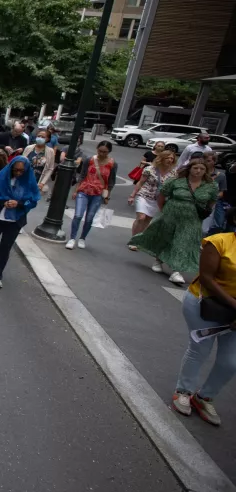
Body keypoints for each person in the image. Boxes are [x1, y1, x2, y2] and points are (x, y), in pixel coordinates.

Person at [169, 208, 236, 426]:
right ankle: (183, 391)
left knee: (230, 362)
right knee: (200, 349)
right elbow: (207, 278)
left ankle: (204, 397)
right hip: (204, 304)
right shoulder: (218, 242)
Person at [130, 157, 219, 285]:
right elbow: (162, 196)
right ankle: (158, 260)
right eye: (195, 168)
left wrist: (203, 213)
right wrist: (164, 211)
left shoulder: (211, 186)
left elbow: (211, 202)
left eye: (202, 169)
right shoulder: (177, 181)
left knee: (183, 243)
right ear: (189, 169)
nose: (198, 171)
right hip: (171, 214)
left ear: (206, 171)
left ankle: (177, 271)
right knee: (166, 238)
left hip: (192, 219)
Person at [0, 156, 40, 288]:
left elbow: (33, 200)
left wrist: (19, 203)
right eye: (16, 170)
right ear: (11, 168)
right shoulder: (2, 177)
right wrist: (3, 201)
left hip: (15, 220)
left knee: (5, 248)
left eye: (21, 171)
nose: (18, 173)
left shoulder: (29, 181)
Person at [66, 141, 117, 250]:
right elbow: (82, 175)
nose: (102, 154)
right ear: (97, 149)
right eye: (100, 151)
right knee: (78, 215)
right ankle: (72, 238)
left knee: (90, 217)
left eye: (105, 152)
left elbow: (111, 181)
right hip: (84, 189)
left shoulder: (112, 164)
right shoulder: (89, 160)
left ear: (109, 152)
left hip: (98, 193)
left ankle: (82, 238)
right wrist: (76, 190)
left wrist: (107, 195)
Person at [127, 150, 177, 251]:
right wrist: (132, 195)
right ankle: (133, 240)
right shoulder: (150, 169)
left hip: (158, 200)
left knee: (147, 220)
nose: (170, 160)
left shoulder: (173, 173)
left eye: (172, 158)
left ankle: (140, 239)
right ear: (162, 158)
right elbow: (140, 183)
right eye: (168, 158)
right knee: (141, 218)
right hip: (144, 195)